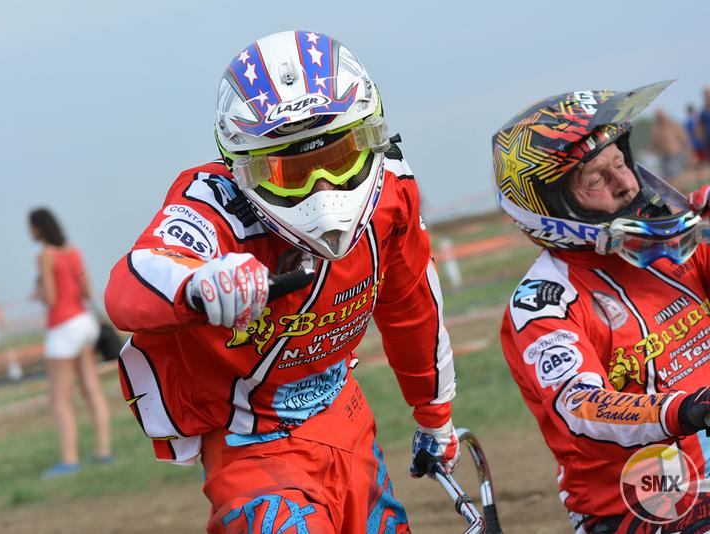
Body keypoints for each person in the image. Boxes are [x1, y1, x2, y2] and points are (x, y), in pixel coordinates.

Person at [105, 30, 458, 533]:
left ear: (371, 134)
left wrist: (434, 413)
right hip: (249, 445)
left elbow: (411, 303)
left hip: (347, 418)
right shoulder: (214, 204)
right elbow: (130, 283)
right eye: (291, 171)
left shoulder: (393, 191)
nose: (323, 189)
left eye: (338, 158)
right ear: (244, 168)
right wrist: (199, 282)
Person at [493, 81, 710, 533]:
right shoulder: (543, 302)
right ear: (551, 204)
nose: (626, 184)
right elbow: (582, 408)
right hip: (644, 504)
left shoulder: (676, 242)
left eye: (621, 163)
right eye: (596, 178)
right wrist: (685, 410)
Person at [29, 207, 112, 479]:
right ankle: (103, 451)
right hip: (84, 322)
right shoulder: (73, 253)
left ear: (38, 228)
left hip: (62, 327)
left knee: (59, 398)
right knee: (91, 389)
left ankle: (69, 460)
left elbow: (51, 297)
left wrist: (37, 293)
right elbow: (87, 291)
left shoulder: (45, 256)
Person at [649, 108, 690, 183]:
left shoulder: (672, 125)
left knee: (675, 176)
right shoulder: (657, 129)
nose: (661, 118)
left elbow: (683, 138)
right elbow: (654, 143)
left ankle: (680, 187)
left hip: (675, 154)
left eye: (661, 115)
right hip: (665, 157)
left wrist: (688, 151)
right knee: (669, 177)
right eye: (659, 116)